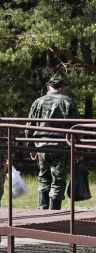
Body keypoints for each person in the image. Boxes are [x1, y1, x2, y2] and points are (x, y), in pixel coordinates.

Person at [25, 75, 80, 210]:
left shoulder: (38, 102)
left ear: (49, 87)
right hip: (61, 146)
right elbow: (76, 127)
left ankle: (42, 209)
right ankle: (54, 211)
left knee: (43, 177)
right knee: (58, 180)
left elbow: (29, 126)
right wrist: (78, 149)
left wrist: (31, 147)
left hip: (41, 145)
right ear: (61, 88)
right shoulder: (69, 102)